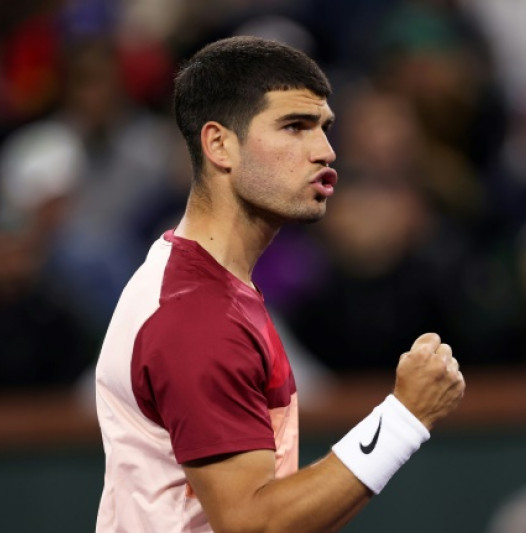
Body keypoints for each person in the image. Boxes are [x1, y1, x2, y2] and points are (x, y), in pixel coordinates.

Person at [94, 36, 465, 533]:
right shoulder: (196, 316)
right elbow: (254, 524)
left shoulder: (202, 286)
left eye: (324, 128)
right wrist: (405, 417)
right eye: (295, 127)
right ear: (219, 144)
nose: (325, 151)